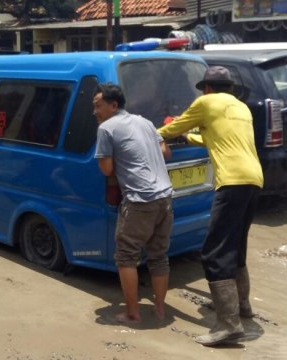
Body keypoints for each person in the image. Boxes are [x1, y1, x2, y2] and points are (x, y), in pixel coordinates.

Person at [158, 66, 263, 346]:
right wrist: (187, 137)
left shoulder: (205, 103)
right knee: (236, 244)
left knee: (213, 252)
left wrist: (147, 131)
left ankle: (228, 325)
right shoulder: (241, 108)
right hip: (254, 179)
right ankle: (242, 307)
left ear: (206, 88)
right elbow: (212, 138)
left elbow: (169, 129)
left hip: (231, 181)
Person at [93, 83, 174, 323]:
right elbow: (165, 152)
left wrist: (122, 158)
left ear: (113, 105)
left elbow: (106, 169)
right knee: (159, 255)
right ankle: (160, 309)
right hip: (165, 195)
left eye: (98, 106)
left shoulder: (106, 128)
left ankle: (132, 313)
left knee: (126, 256)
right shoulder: (145, 121)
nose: (94, 111)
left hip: (140, 199)